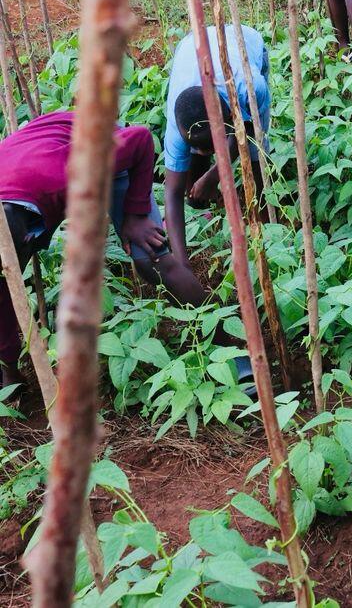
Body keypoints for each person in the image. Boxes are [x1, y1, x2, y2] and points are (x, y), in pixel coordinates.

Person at [0, 112, 206, 388]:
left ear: (28, 240)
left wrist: (135, 215)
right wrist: (9, 369)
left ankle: (229, 351)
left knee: (151, 259)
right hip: (38, 160)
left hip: (101, 144)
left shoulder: (73, 172)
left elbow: (140, 138)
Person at [163, 24, 270, 271]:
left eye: (212, 148)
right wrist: (181, 264)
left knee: (255, 154)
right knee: (189, 170)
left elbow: (248, 132)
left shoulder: (249, 88)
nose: (208, 155)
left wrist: (214, 175)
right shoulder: (177, 124)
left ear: (228, 121)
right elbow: (172, 192)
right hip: (190, 49)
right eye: (199, 149)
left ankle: (264, 225)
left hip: (242, 42)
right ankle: (204, 208)